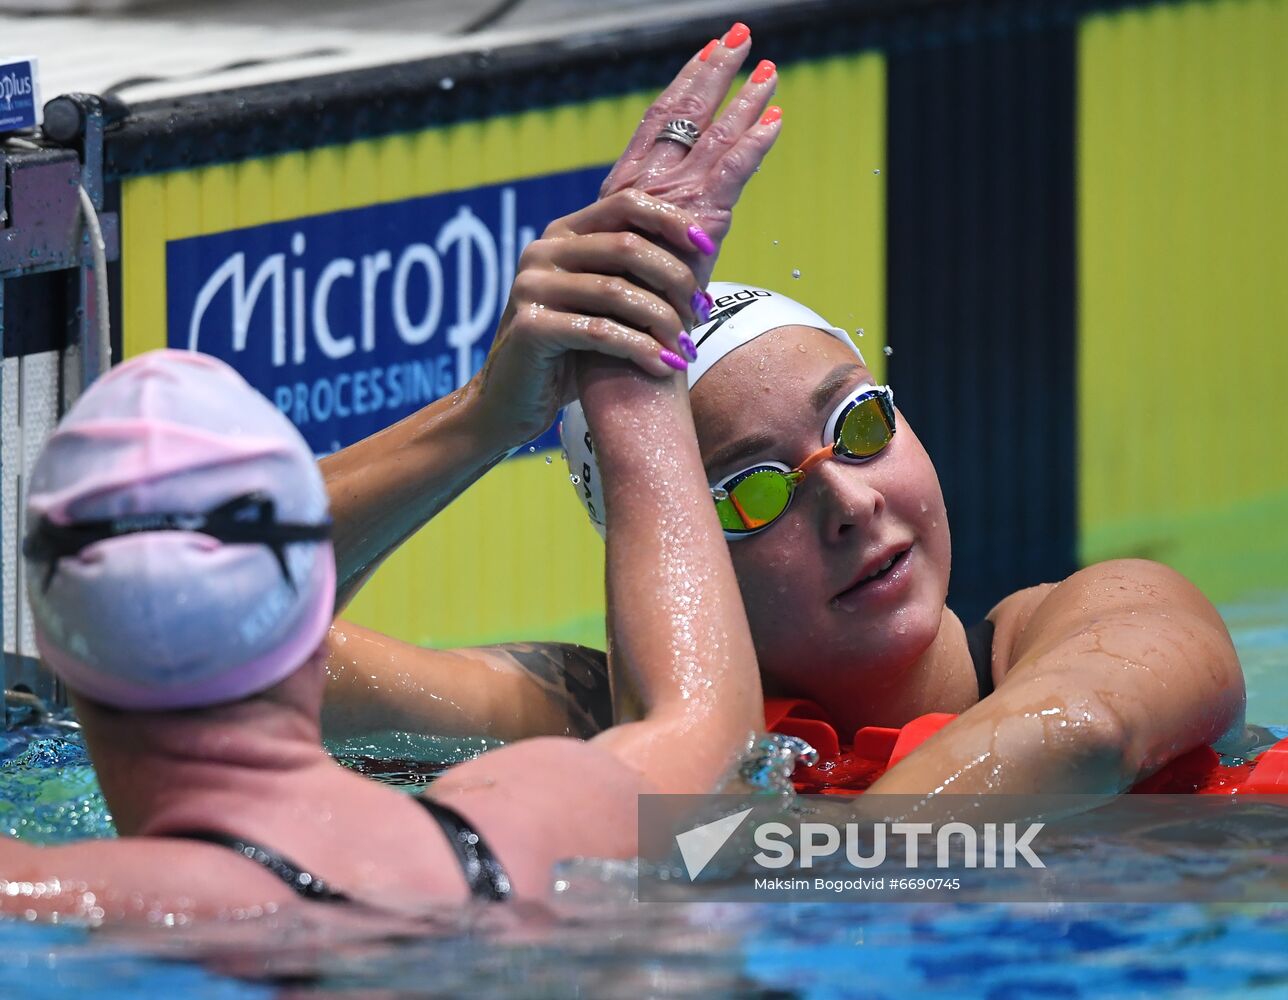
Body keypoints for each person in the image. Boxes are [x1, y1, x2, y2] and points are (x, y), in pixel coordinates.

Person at [319, 26, 1247, 797]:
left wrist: (773, 868)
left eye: (861, 425)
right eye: (755, 490)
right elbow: (213, 655)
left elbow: (1081, 732)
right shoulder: (592, 717)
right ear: (674, 542)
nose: (848, 500)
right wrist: (483, 418)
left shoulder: (1092, 613)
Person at [0, 341, 762, 921]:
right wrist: (637, 348)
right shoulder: (537, 823)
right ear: (318, 604)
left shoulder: (47, 898)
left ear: (48, 636)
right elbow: (709, 724)